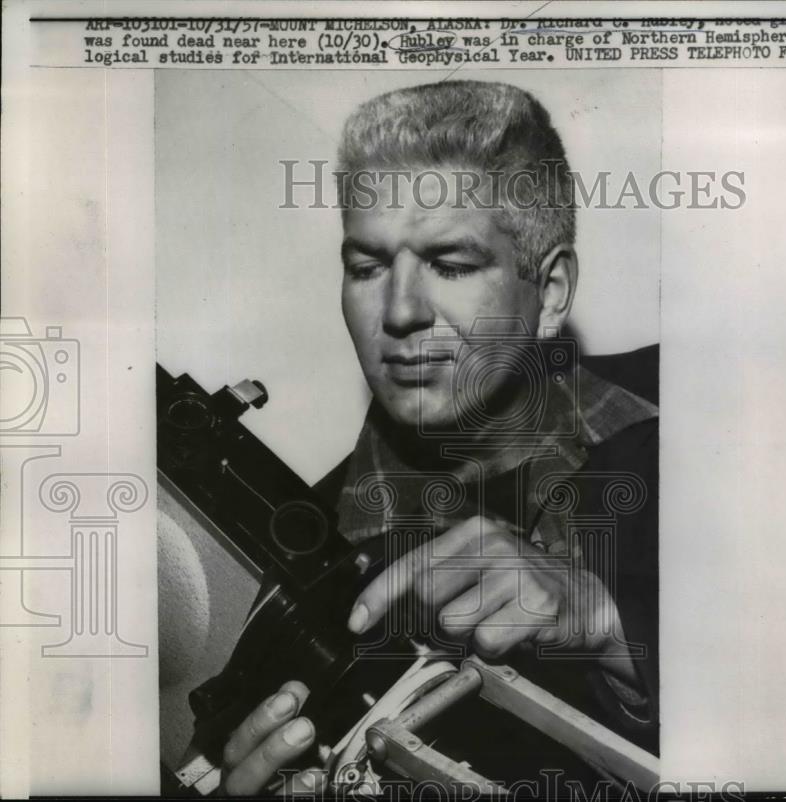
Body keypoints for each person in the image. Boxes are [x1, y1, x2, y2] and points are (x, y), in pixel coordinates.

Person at [218, 80, 660, 796]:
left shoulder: (719, 419)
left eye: (450, 265)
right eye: (365, 267)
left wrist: (615, 629)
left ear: (549, 294)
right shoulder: (291, 562)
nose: (397, 312)